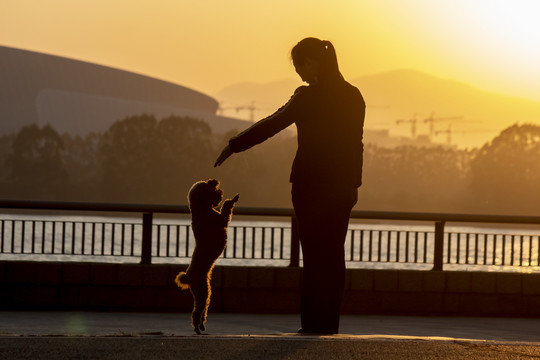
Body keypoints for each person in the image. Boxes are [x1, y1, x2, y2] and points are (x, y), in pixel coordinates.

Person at [214, 37, 365, 334]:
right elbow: (356, 146)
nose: (299, 74)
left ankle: (311, 324)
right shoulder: (353, 96)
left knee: (313, 256)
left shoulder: (306, 97)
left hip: (309, 186)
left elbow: (272, 123)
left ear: (311, 63)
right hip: (340, 188)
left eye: (299, 66)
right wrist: (354, 184)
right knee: (333, 255)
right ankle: (329, 325)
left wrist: (234, 145)